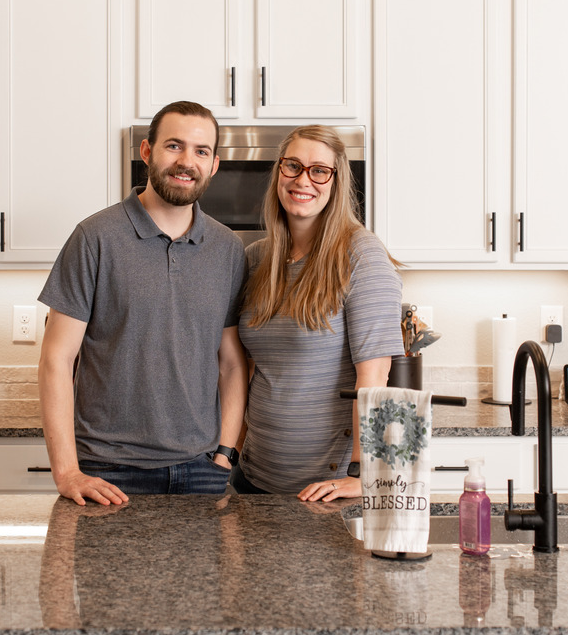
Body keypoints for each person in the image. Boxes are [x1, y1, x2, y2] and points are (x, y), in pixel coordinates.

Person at [38, 100, 248, 505]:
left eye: (201, 151)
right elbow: (56, 359)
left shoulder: (227, 250)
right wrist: (67, 472)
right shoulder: (94, 238)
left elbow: (232, 363)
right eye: (174, 146)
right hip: (108, 472)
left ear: (214, 165)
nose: (187, 161)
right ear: (147, 151)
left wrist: (224, 454)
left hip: (202, 470)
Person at [234, 125, 404, 504]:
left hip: (324, 491)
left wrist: (363, 475)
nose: (303, 180)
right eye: (292, 166)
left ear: (336, 181)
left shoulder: (361, 255)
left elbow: (374, 375)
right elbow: (246, 369)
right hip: (254, 478)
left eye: (319, 170)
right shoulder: (256, 259)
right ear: (279, 171)